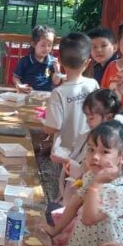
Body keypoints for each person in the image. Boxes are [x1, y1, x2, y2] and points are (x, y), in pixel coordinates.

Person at [44, 32, 97, 167]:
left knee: (66, 177)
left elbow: (52, 128)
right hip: (89, 148)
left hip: (64, 152)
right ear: (87, 62)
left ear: (60, 61)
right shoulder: (93, 85)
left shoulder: (58, 93)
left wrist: (44, 122)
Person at [13, 25, 61, 93]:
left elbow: (56, 82)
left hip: (46, 95)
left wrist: (57, 71)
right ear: (33, 44)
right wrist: (19, 85)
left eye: (49, 45)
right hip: (27, 93)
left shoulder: (52, 62)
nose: (46, 48)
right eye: (43, 45)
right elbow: (16, 77)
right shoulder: (25, 61)